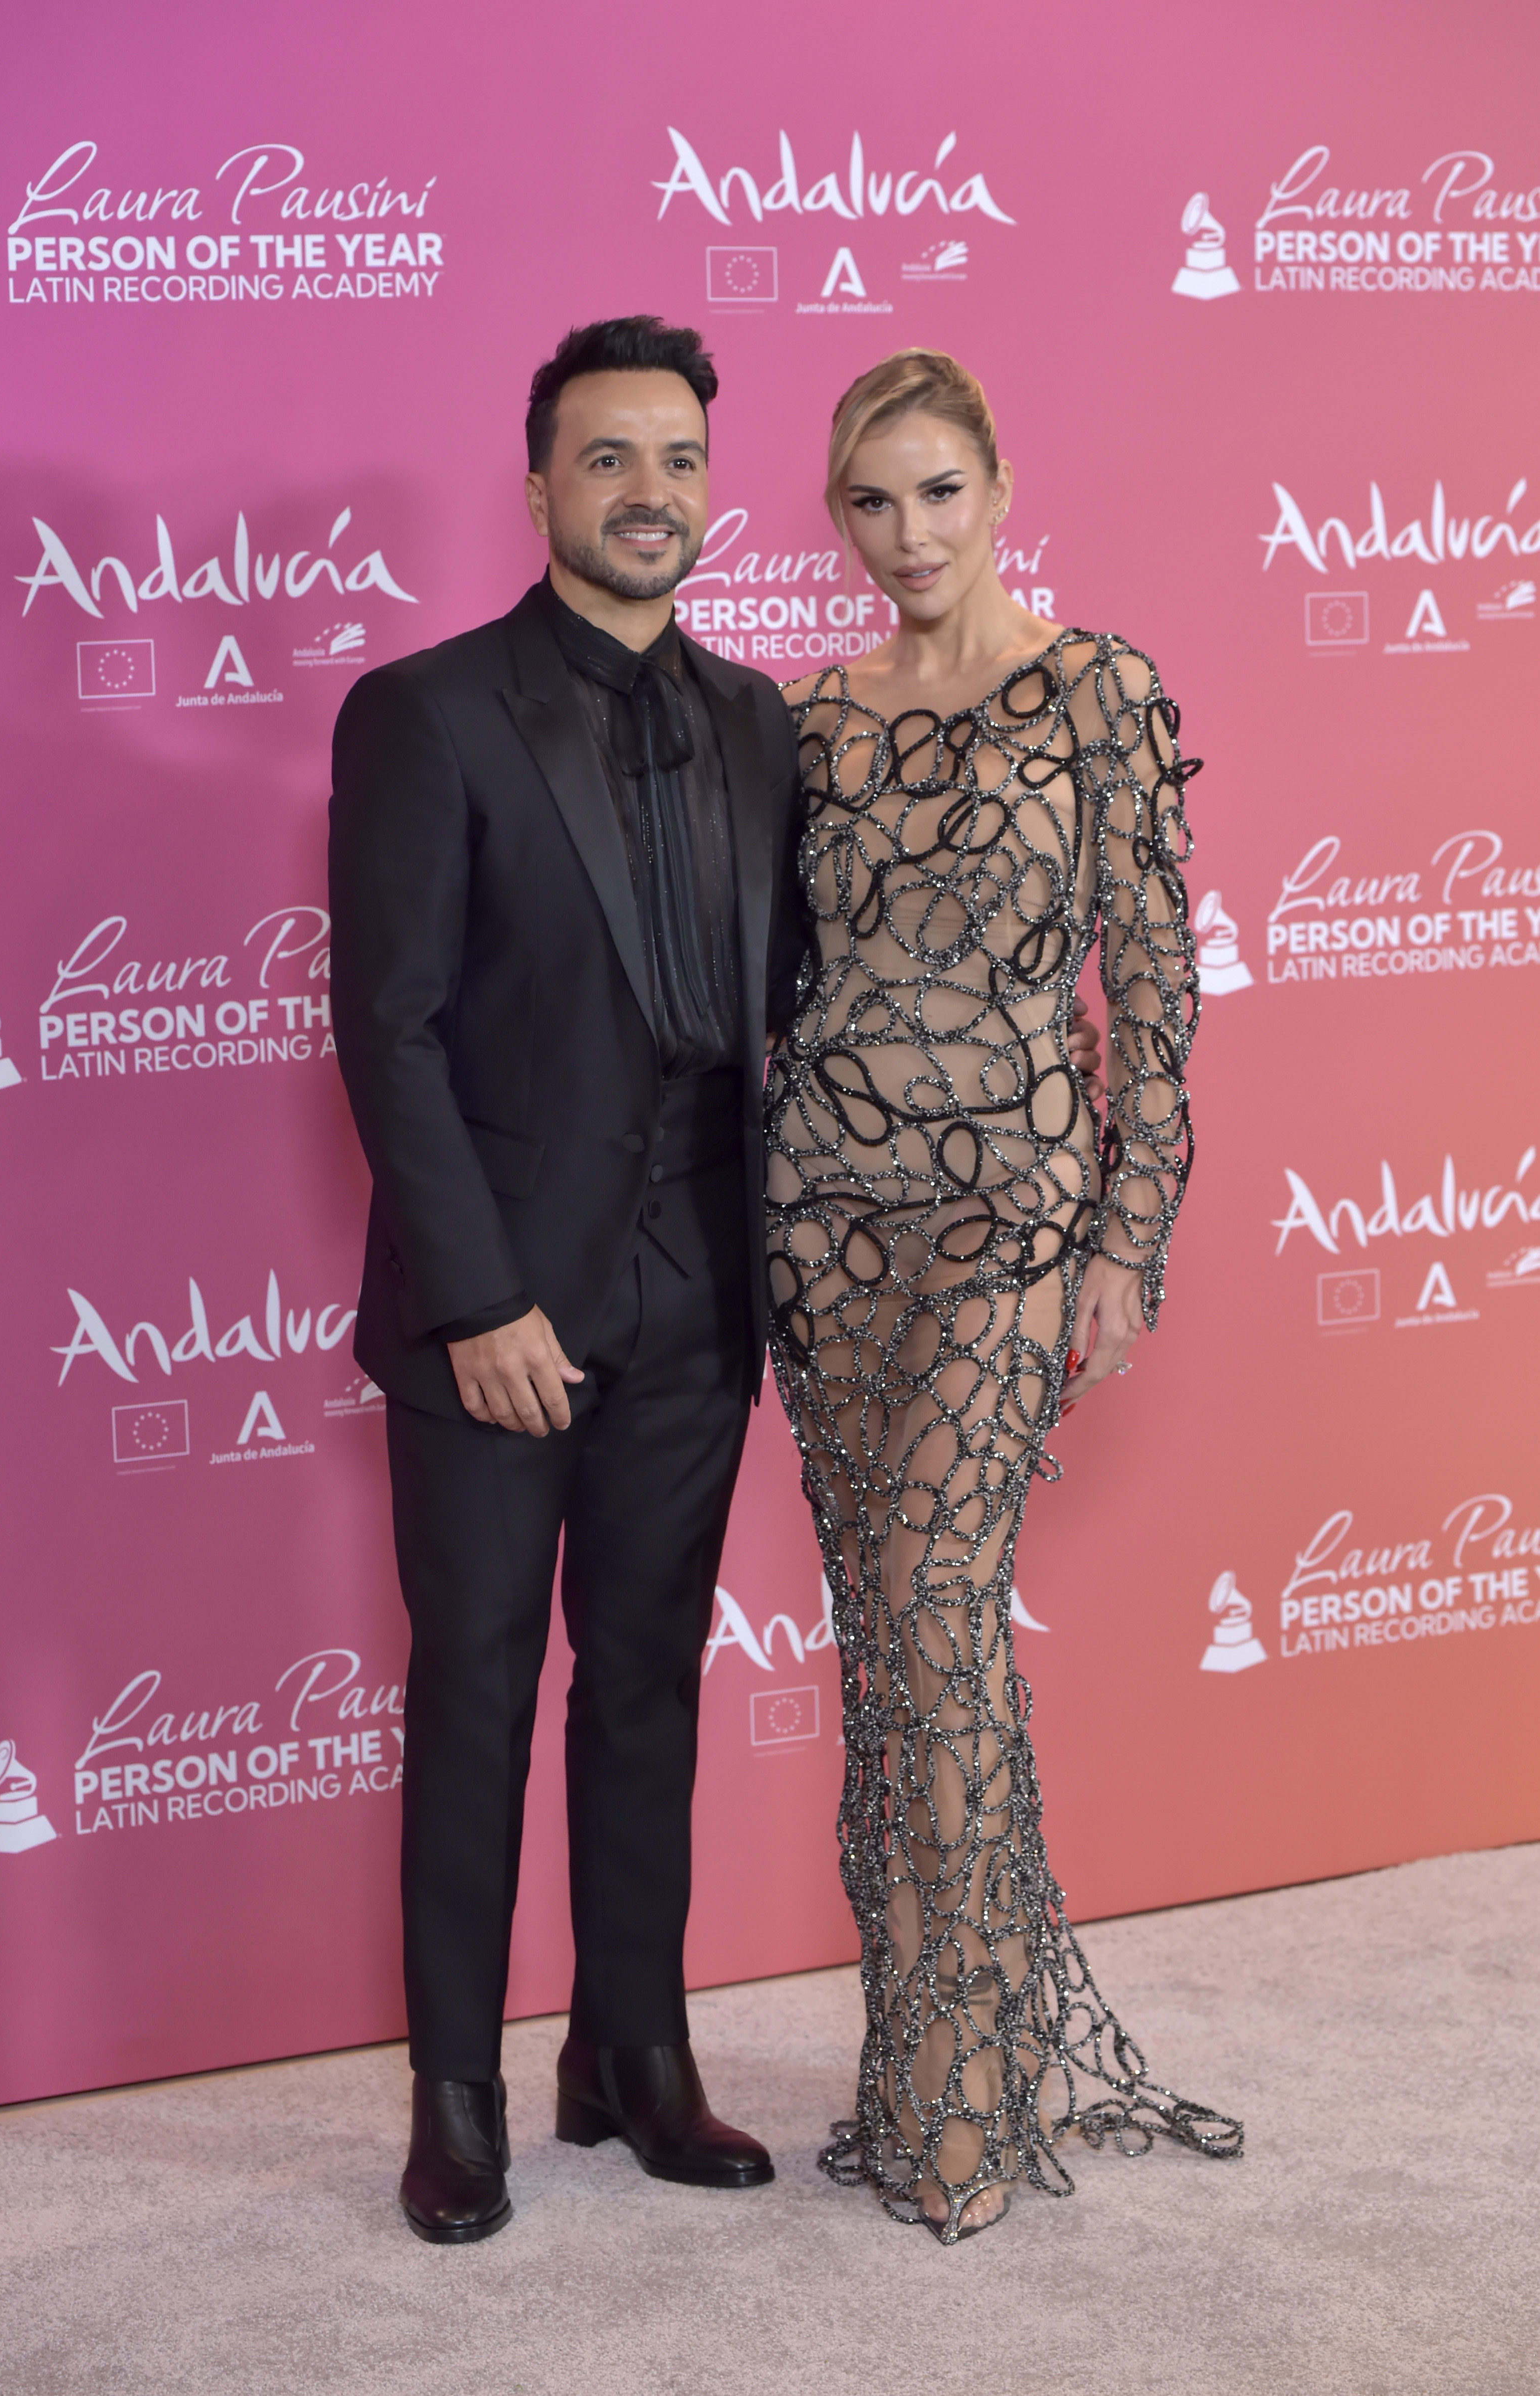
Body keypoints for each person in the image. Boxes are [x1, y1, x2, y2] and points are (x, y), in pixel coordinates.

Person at [326, 317, 809, 2242]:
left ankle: (631, 2053)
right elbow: (392, 1028)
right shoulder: (427, 710)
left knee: (649, 1698)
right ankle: (455, 2094)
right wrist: (476, 1299)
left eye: (678, 459)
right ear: (538, 488)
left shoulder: (767, 718)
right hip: (498, 1312)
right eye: (608, 459)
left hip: (699, 1290)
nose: (648, 493)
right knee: (474, 1694)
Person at [765, 349, 1243, 2244]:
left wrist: (1126, 1238)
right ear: (834, 514)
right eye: (871, 502)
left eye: (938, 491)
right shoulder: (808, 720)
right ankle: (916, 2070)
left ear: (1000, 486)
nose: (908, 536)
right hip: (822, 1222)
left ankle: (967, 2104)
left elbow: (1159, 991)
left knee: (943, 1615)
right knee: (885, 1648)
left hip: (1007, 1225)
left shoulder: (1094, 691)